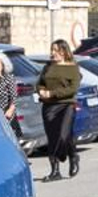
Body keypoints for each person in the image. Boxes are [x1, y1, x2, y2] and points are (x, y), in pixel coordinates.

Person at [36, 40, 82, 181]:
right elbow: (39, 84)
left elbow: (72, 89)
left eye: (55, 50)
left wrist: (52, 93)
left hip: (66, 104)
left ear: (63, 51)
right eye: (52, 50)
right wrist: (41, 91)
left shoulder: (73, 67)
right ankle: (55, 171)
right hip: (49, 107)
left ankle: (72, 155)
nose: (52, 53)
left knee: (63, 135)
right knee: (53, 138)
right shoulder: (48, 67)